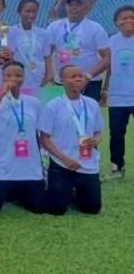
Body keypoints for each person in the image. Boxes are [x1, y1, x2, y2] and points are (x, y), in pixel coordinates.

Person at [0, 62, 45, 214]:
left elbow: (37, 132)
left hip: (30, 170)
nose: (13, 78)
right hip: (3, 170)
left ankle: (21, 195)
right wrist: (1, 95)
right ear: (2, 78)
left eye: (18, 75)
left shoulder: (33, 102)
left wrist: (41, 159)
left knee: (39, 208)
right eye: (8, 75)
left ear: (24, 78)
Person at [38, 65, 103, 215]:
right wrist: (65, 160)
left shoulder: (92, 104)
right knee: (57, 210)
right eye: (72, 76)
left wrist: (96, 140)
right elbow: (44, 139)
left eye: (80, 75)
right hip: (62, 165)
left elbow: (98, 131)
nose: (78, 79)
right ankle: (63, 192)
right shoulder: (53, 106)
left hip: (87, 164)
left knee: (92, 209)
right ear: (62, 81)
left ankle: (74, 194)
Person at [47, 0, 111, 101]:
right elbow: (46, 53)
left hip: (90, 82)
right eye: (70, 5)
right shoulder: (54, 27)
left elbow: (107, 57)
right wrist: (50, 72)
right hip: (63, 81)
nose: (74, 8)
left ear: (85, 7)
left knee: (89, 114)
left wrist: (88, 76)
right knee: (64, 115)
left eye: (78, 5)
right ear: (65, 7)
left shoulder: (95, 28)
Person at [101, 5, 134, 180]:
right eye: (124, 18)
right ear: (116, 22)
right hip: (118, 97)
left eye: (132, 17)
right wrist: (105, 90)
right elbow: (108, 68)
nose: (128, 20)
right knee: (116, 134)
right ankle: (117, 168)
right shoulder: (111, 41)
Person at [8, 0, 53, 89]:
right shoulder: (10, 32)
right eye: (27, 11)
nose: (31, 15)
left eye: (34, 12)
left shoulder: (43, 33)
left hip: (39, 78)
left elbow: (47, 57)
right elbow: (9, 58)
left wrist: (48, 76)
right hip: (19, 79)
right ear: (19, 12)